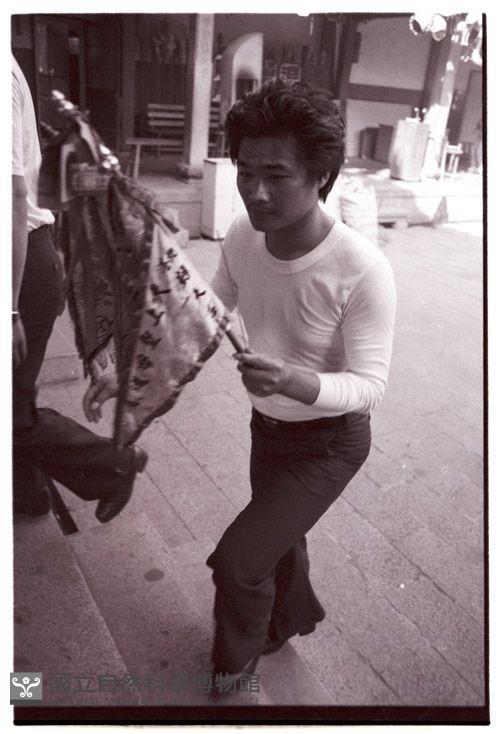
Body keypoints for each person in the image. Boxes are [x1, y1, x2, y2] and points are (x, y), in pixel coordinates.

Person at [205, 79, 397, 685]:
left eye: (277, 175)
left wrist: (293, 380)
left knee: (240, 561)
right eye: (245, 172)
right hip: (269, 429)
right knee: (279, 539)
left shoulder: (361, 269)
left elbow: (369, 386)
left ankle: (233, 668)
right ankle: (290, 618)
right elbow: (213, 306)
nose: (256, 192)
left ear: (321, 176)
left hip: (330, 441)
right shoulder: (242, 234)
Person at [12, 53, 147, 522]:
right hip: (35, 259)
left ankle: (112, 464)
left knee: (12, 410)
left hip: (24, 265)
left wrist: (9, 309)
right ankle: (27, 494)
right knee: (15, 400)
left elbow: (15, 198)